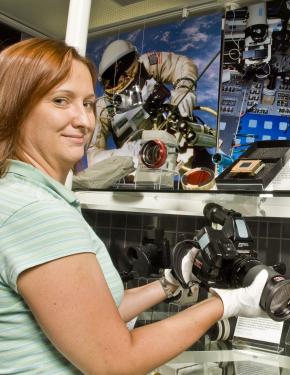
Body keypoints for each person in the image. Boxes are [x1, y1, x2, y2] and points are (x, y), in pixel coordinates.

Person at [0, 38, 268, 374]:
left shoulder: (18, 193)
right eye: (60, 101)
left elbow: (92, 315)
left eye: (85, 103)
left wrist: (167, 284)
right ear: (16, 106)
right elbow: (117, 361)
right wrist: (226, 303)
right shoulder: (37, 212)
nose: (83, 120)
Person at [86, 39, 199, 167]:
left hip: (175, 138)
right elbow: (93, 157)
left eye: (124, 68)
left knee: (199, 166)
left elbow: (181, 64)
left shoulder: (146, 65)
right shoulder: (103, 107)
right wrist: (124, 154)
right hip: (137, 162)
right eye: (114, 77)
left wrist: (184, 89)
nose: (122, 78)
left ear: (134, 60)